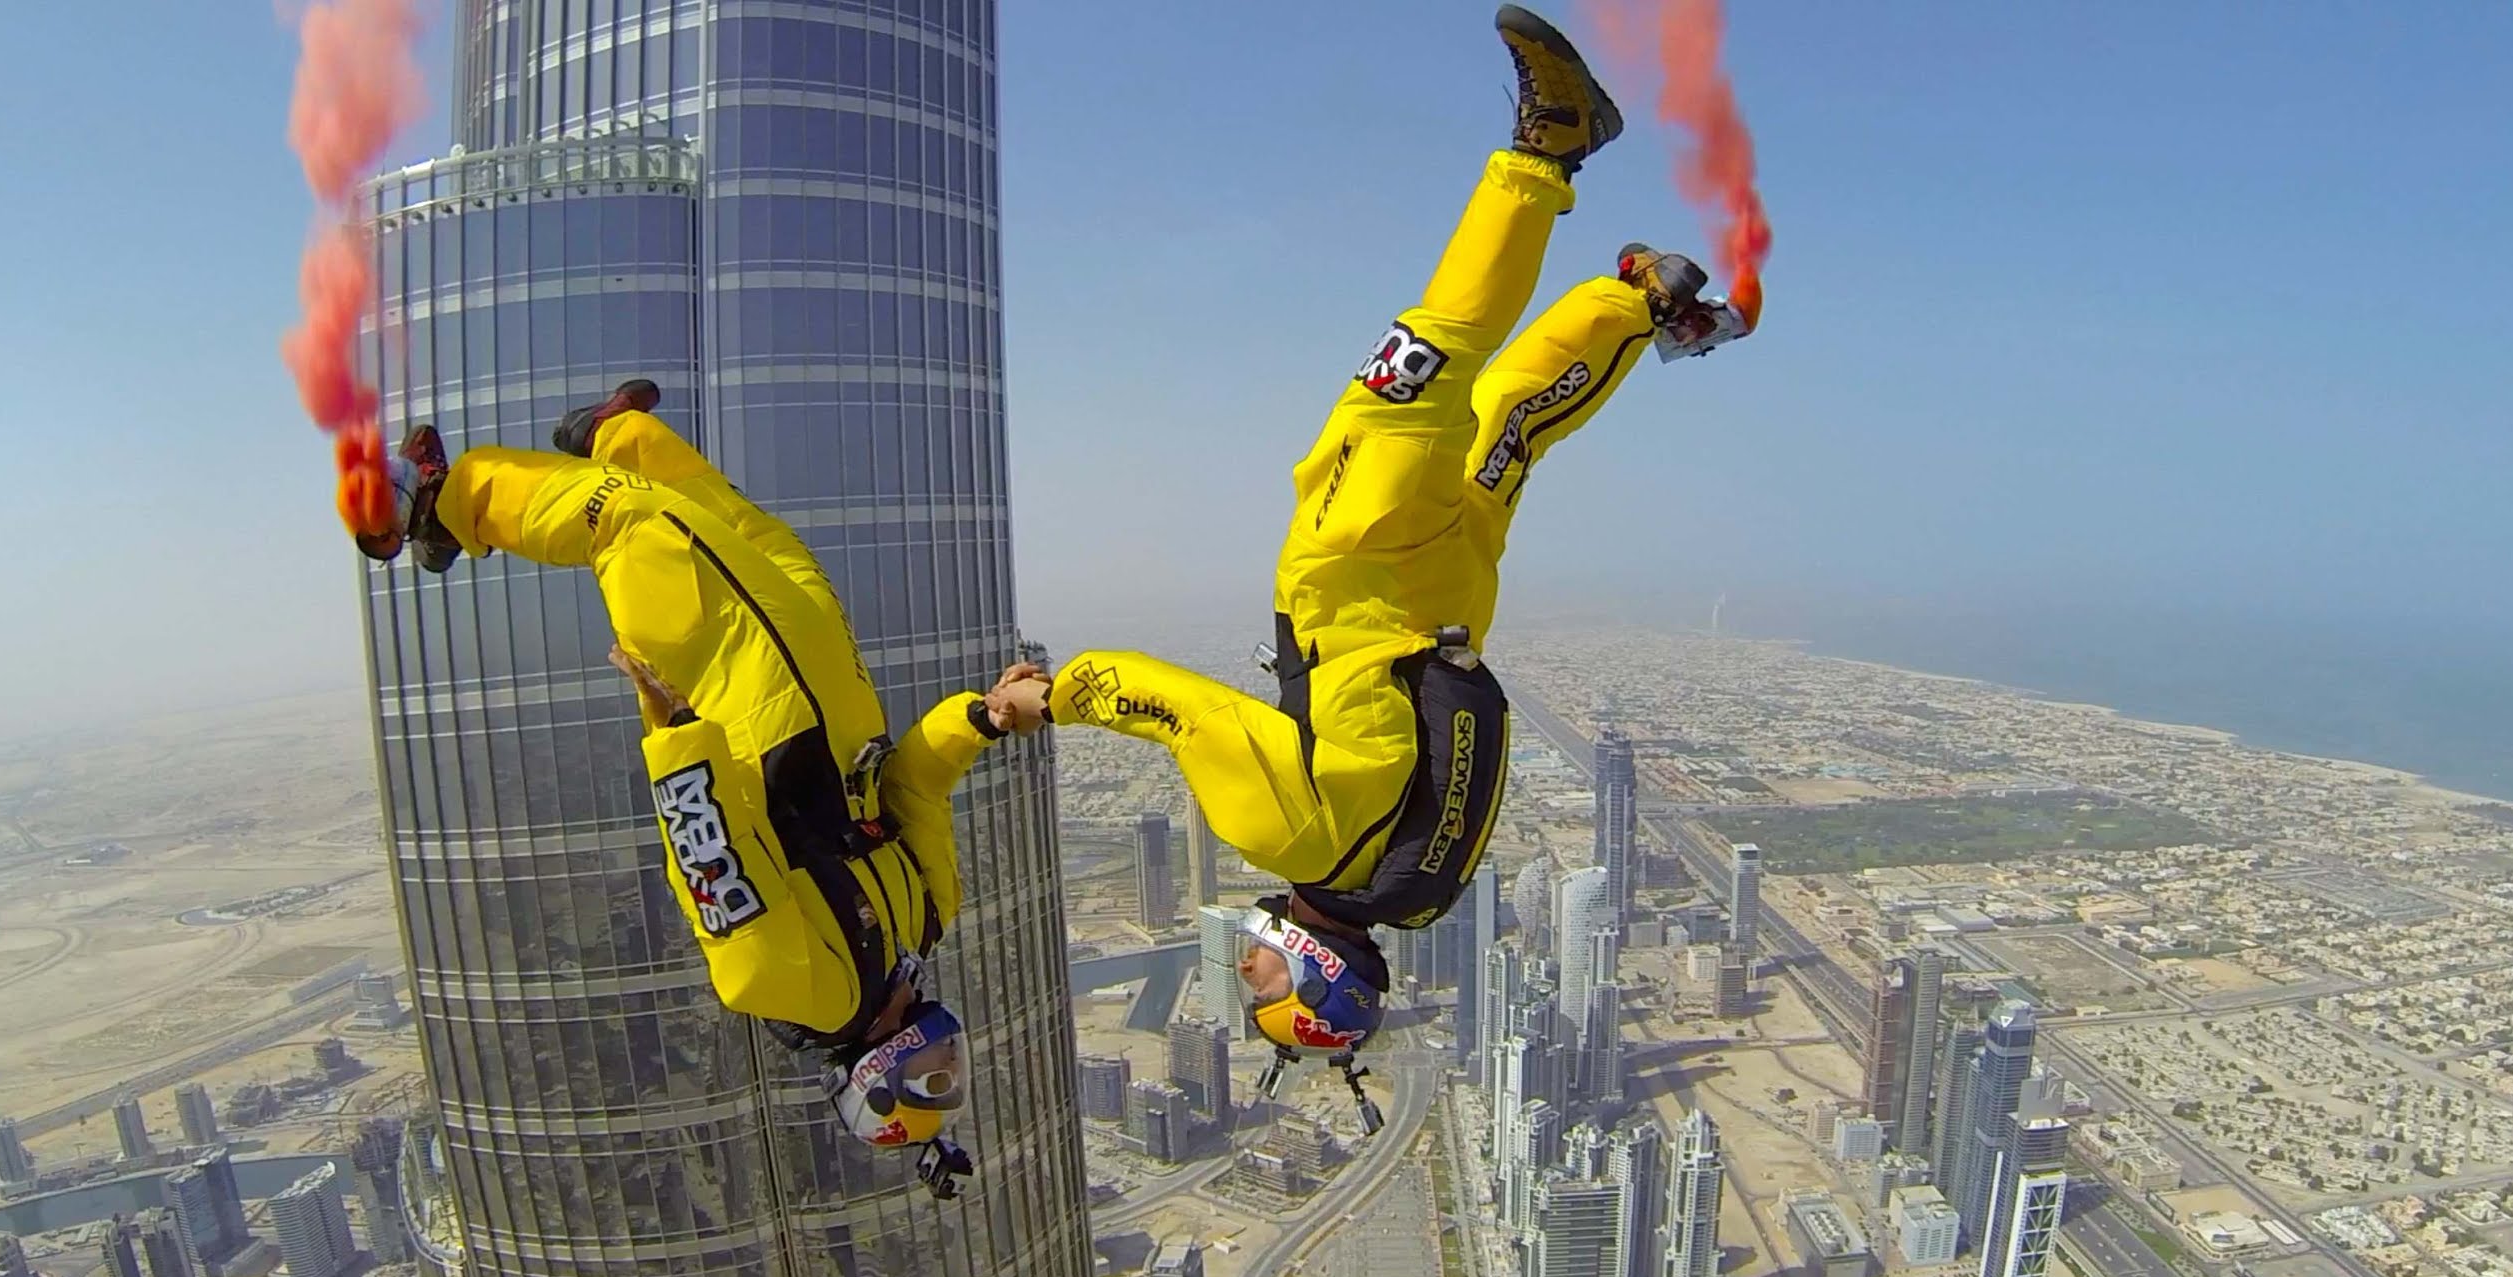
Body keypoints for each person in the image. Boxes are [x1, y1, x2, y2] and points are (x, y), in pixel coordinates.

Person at [1050, 6, 1747, 1109]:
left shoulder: (1418, 898)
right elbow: (1169, 701)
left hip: (1452, 609)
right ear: (1317, 966)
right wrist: (1050, 697)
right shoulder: (1283, 834)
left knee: (1512, 420)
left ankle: (1648, 304)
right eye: (1267, 976)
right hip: (1354, 572)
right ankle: (1547, 152)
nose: (1249, 961)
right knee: (1421, 364)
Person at [342, 381, 1049, 1197]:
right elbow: (917, 785)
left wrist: (675, 735)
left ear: (873, 1080)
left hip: (741, 697)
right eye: (949, 1076)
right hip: (826, 678)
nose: (945, 1059)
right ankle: (617, 435)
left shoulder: (797, 987)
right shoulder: (926, 918)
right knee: (740, 525)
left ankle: (442, 503)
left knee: (638, 523)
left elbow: (711, 862)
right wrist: (986, 718)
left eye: (929, 1079)